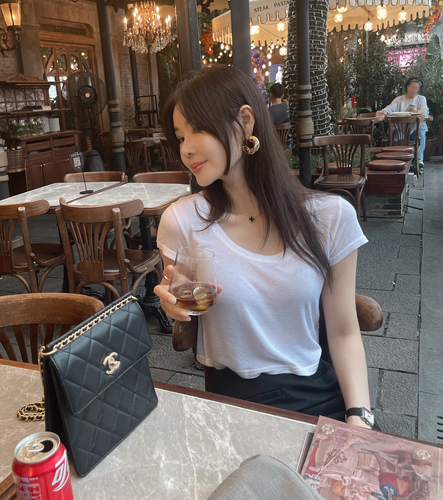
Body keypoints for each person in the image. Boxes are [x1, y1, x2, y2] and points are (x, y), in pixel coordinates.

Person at [155, 65, 374, 430]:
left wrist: (359, 418)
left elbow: (343, 332)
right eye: (179, 137)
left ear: (245, 122)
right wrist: (172, 302)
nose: (186, 149)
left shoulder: (330, 217)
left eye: (197, 130)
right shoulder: (183, 221)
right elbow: (180, 291)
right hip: (234, 405)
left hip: (319, 397)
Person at [376, 77, 428, 168]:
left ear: (419, 90)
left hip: (415, 127)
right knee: (397, 135)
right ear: (407, 87)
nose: (413, 90)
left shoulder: (421, 99)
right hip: (400, 127)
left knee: (421, 134)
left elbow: (425, 111)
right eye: (411, 87)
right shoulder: (399, 99)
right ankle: (398, 160)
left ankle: (419, 160)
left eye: (416, 88)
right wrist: (384, 112)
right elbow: (390, 107)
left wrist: (416, 111)